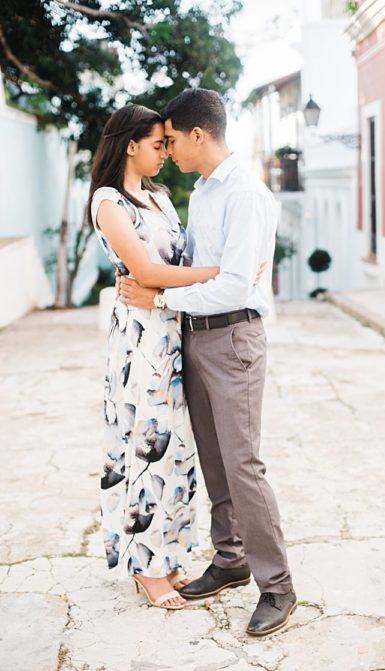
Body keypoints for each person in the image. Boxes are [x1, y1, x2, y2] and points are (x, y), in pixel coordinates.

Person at [117, 88, 296, 636]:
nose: (167, 150)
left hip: (235, 337)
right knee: (215, 460)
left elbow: (236, 286)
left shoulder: (246, 193)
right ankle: (230, 559)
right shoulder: (201, 192)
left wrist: (161, 298)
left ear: (198, 135)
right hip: (195, 337)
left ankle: (279, 586)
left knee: (243, 464)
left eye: (171, 140)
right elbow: (201, 268)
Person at [90, 104, 220, 610]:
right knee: (147, 448)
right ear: (130, 145)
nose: (166, 153)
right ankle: (145, 568)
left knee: (178, 451)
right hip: (140, 340)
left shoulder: (162, 199)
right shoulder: (108, 202)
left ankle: (168, 553)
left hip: (174, 331)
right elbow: (146, 271)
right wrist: (219, 273)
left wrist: (197, 274)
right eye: (158, 145)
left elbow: (175, 263)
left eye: (169, 145)